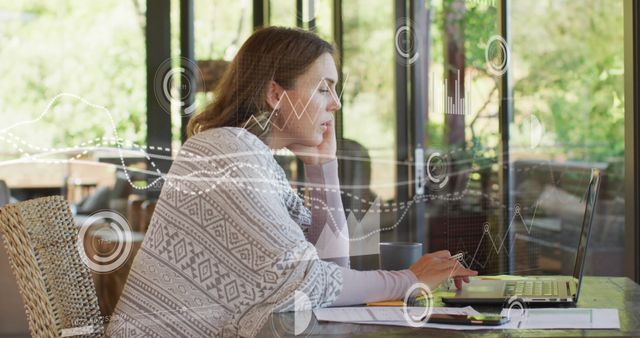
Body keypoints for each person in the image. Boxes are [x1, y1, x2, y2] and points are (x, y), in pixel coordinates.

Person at [107, 26, 477, 337]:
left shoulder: (252, 159)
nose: (336, 103)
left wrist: (322, 167)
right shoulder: (225, 154)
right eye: (323, 88)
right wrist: (409, 279)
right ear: (274, 94)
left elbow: (333, 269)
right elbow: (311, 282)